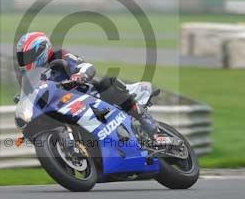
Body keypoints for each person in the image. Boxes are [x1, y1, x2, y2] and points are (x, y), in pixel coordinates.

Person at [16, 31, 158, 137]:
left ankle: (144, 117)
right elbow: (33, 93)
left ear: (41, 49)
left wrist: (79, 75)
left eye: (27, 56)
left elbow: (87, 67)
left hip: (88, 94)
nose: (24, 60)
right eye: (22, 57)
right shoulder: (31, 77)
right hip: (64, 106)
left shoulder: (60, 56)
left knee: (107, 83)